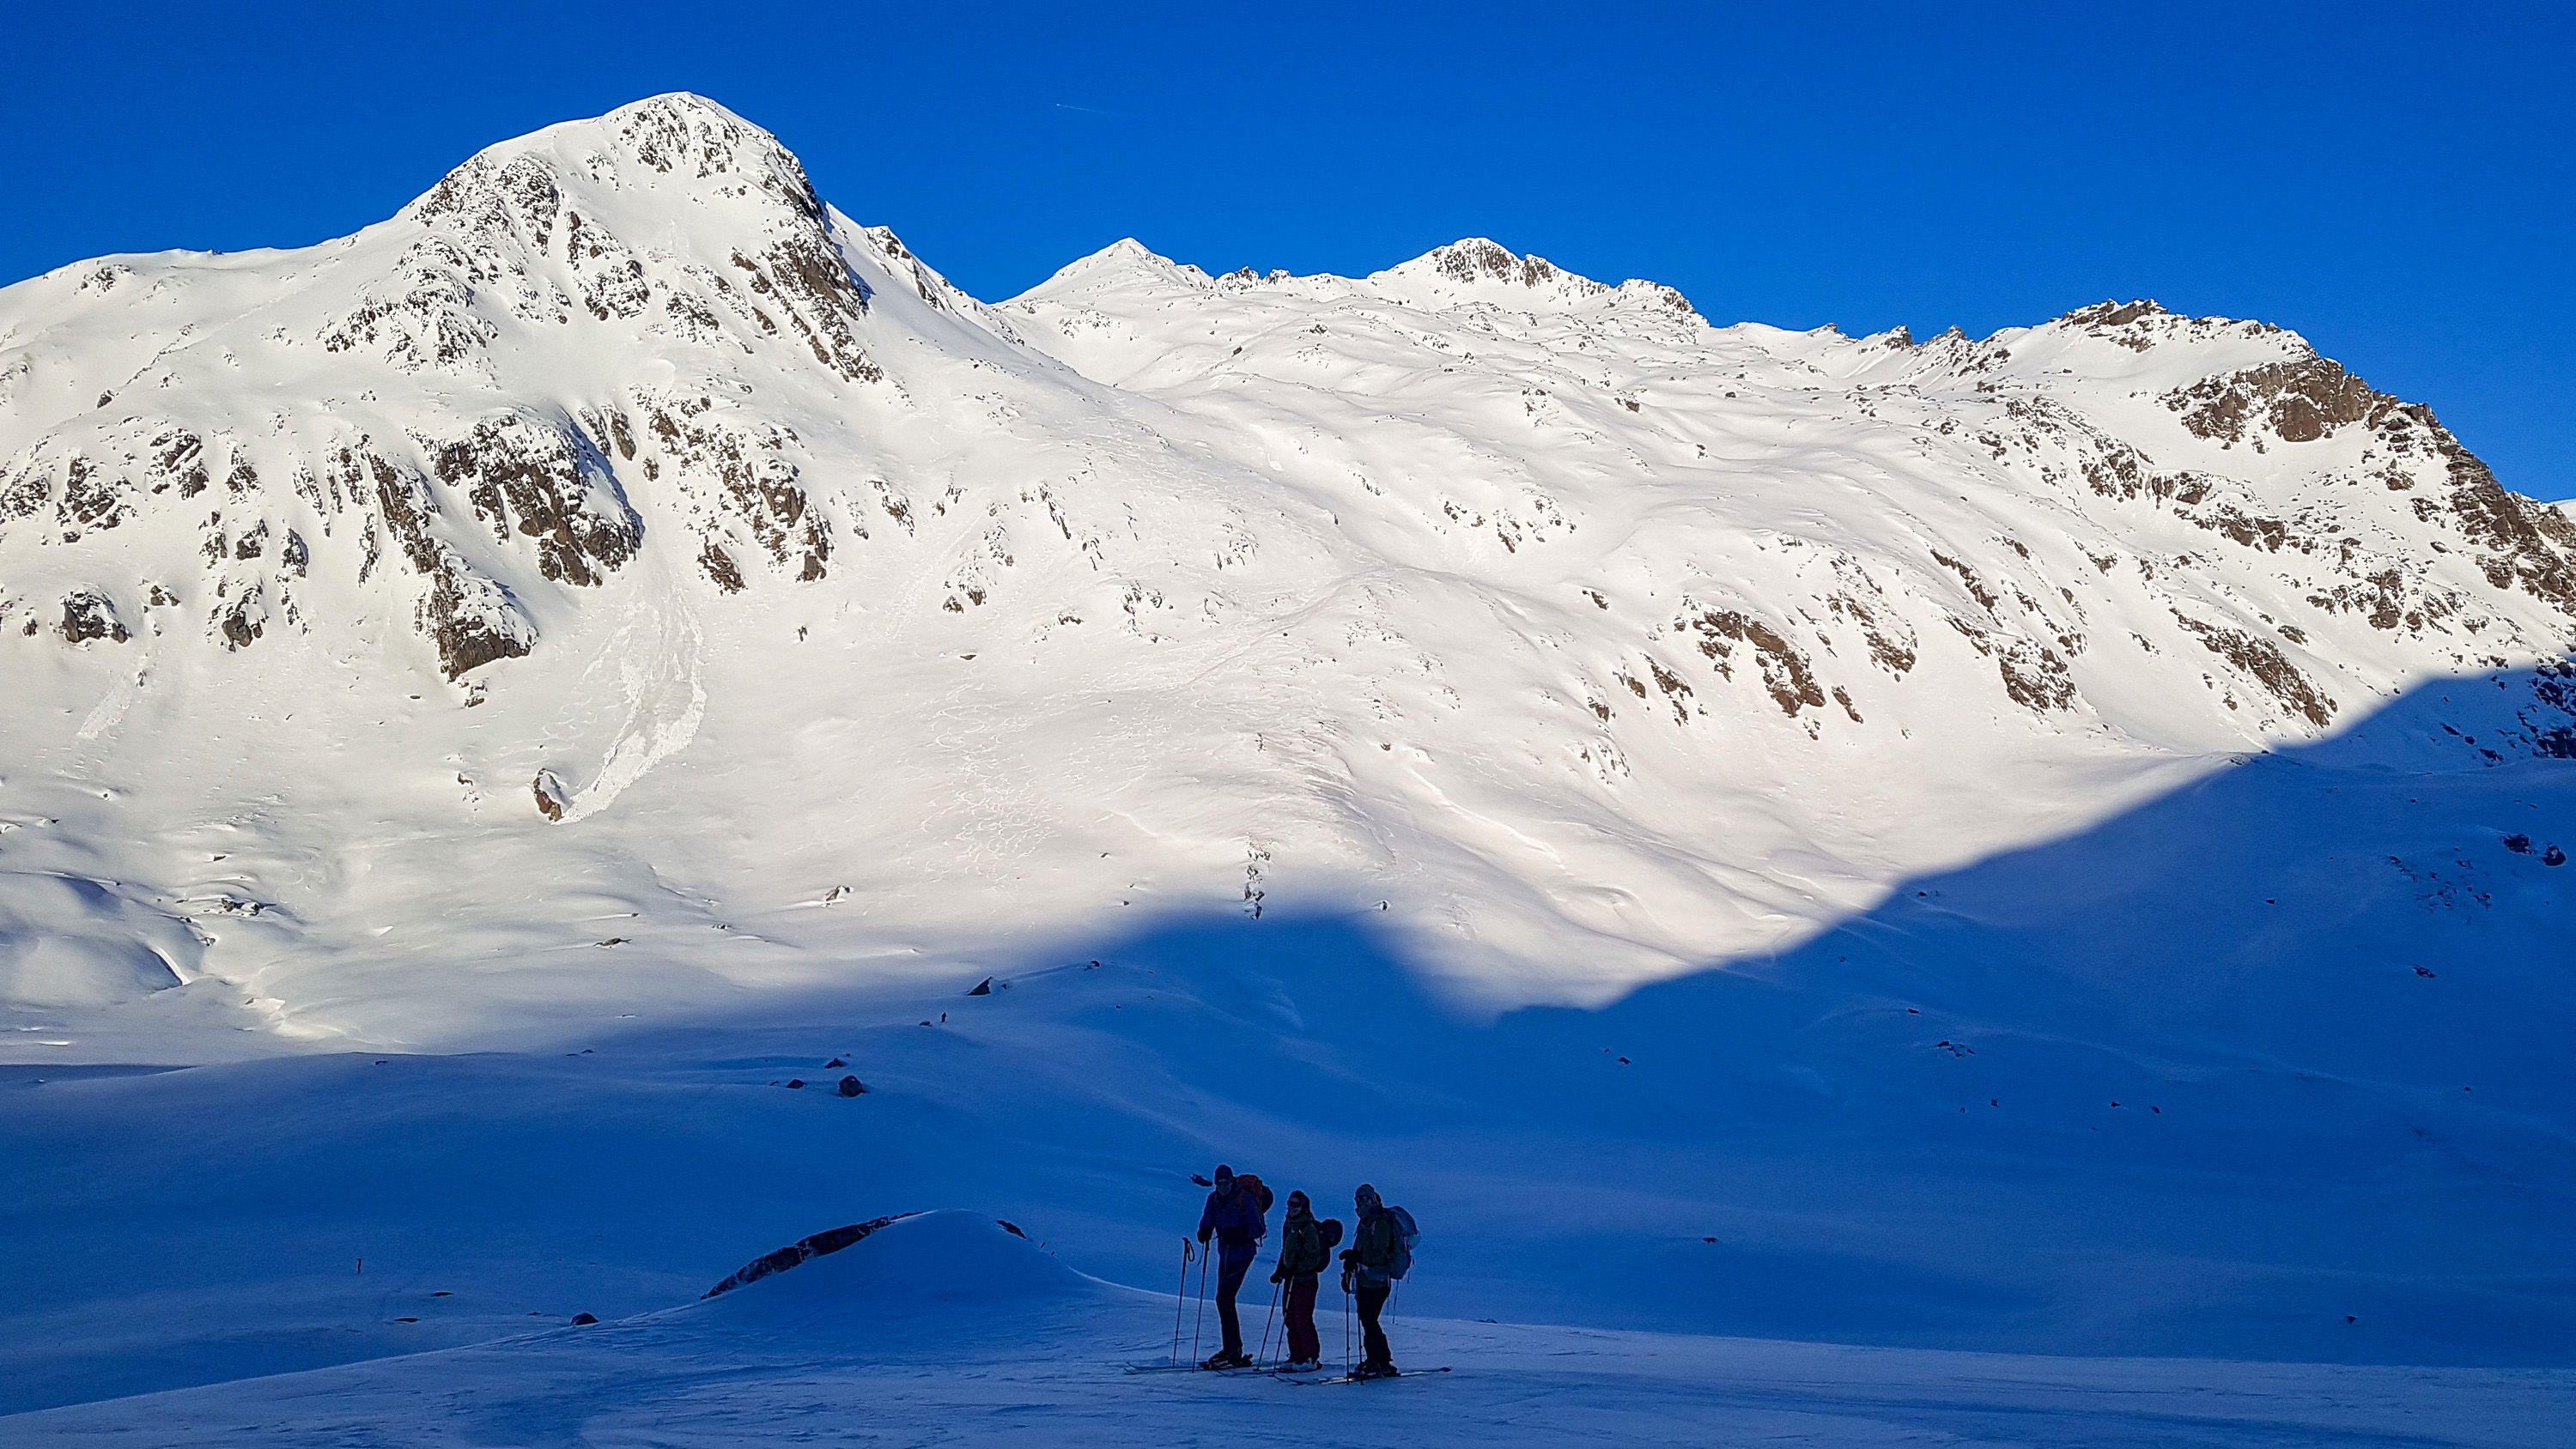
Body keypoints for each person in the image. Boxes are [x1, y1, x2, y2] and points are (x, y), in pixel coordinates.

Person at [1194, 1163, 1272, 1368]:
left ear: (1231, 1181)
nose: (1222, 1187)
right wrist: (1204, 1231)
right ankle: (1231, 1348)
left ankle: (1233, 1350)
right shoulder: (1214, 1199)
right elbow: (1208, 1219)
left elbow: (1258, 1228)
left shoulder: (1244, 1198)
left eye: (1225, 1183)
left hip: (1242, 1255)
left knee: (1224, 1299)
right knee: (1224, 1300)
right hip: (1225, 1254)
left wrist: (1238, 1234)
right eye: (1219, 1183)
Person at [1268, 1190, 1340, 1372]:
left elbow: (1313, 1257)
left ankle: (1310, 1357)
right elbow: (1286, 1250)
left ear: (1304, 1207)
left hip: (1305, 1280)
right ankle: (1297, 1355)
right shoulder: (1289, 1225)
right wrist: (1281, 1270)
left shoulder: (1307, 1228)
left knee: (1302, 1318)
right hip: (1291, 1278)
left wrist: (1297, 1268)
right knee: (1289, 1317)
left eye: (1296, 1205)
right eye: (1290, 1204)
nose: (1292, 1208)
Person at [1339, 1183, 1401, 1378]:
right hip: (1365, 1280)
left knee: (1369, 1320)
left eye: (1365, 1198)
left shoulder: (1379, 1222)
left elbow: (1382, 1254)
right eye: (1358, 1199)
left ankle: (1381, 1360)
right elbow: (1362, 1250)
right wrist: (1350, 1266)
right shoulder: (1365, 1222)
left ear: (1373, 1200)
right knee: (1367, 1321)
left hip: (1378, 1281)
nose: (1361, 1202)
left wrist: (1358, 1257)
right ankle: (1375, 1359)